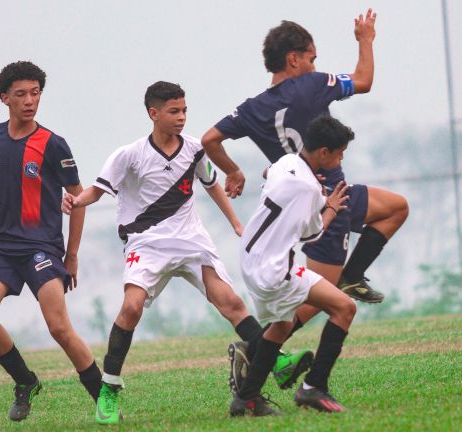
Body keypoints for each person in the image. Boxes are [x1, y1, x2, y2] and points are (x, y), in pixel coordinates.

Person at [61, 81, 310, 425]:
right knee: (131, 308)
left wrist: (237, 225)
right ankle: (109, 389)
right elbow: (97, 190)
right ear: (154, 113)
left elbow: (212, 186)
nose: (181, 118)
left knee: (231, 303)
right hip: (146, 244)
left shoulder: (194, 150)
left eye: (184, 110)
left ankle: (277, 360)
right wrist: (75, 200)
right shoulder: (129, 155)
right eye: (174, 111)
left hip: (192, 241)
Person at [202, 9, 408, 392]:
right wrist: (365, 40)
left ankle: (351, 277)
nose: (316, 64)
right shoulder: (311, 85)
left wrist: (232, 171)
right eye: (312, 57)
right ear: (294, 59)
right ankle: (253, 352)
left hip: (323, 201)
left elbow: (209, 139)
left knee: (395, 208)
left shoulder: (252, 108)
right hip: (323, 207)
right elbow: (363, 80)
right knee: (315, 304)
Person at [0, 61, 102, 422]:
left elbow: (77, 200)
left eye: (35, 93)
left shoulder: (53, 144)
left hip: (41, 246)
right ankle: (24, 382)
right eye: (21, 94)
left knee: (58, 326)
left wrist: (71, 256)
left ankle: (103, 395)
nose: (30, 101)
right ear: (4, 98)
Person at [230, 115, 357, 416]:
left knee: (283, 324)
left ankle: (246, 399)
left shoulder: (284, 162)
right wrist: (329, 207)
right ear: (323, 153)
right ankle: (314, 388)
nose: (341, 158)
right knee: (345, 308)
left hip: (250, 258)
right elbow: (311, 233)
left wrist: (313, 193)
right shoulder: (309, 190)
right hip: (275, 269)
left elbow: (268, 172)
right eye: (339, 152)